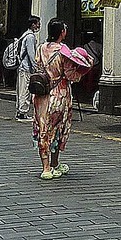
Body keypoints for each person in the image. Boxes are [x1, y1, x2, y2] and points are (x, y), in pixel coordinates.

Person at [31, 19, 91, 180]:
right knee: (57, 130)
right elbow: (71, 75)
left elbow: (37, 66)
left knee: (43, 129)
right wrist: (84, 69)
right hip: (59, 93)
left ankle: (47, 167)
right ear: (61, 32)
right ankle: (52, 164)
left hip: (41, 93)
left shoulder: (41, 48)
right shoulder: (63, 52)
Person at [15, 15, 41, 121]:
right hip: (26, 67)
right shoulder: (30, 37)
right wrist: (36, 67)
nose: (39, 25)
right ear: (33, 24)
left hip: (22, 66)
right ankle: (23, 112)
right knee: (25, 90)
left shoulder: (25, 35)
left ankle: (20, 111)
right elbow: (31, 54)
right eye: (38, 23)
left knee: (21, 89)